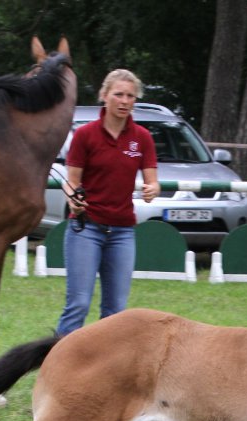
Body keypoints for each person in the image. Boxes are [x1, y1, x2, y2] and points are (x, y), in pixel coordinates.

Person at [54, 69, 159, 336]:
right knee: (78, 304)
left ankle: (105, 372)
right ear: (104, 96)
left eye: (130, 96)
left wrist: (152, 189)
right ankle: (56, 365)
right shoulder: (85, 135)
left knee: (116, 311)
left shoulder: (142, 137)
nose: (124, 101)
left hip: (122, 231)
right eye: (119, 94)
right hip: (86, 228)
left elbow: (152, 180)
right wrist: (73, 199)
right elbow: (71, 182)